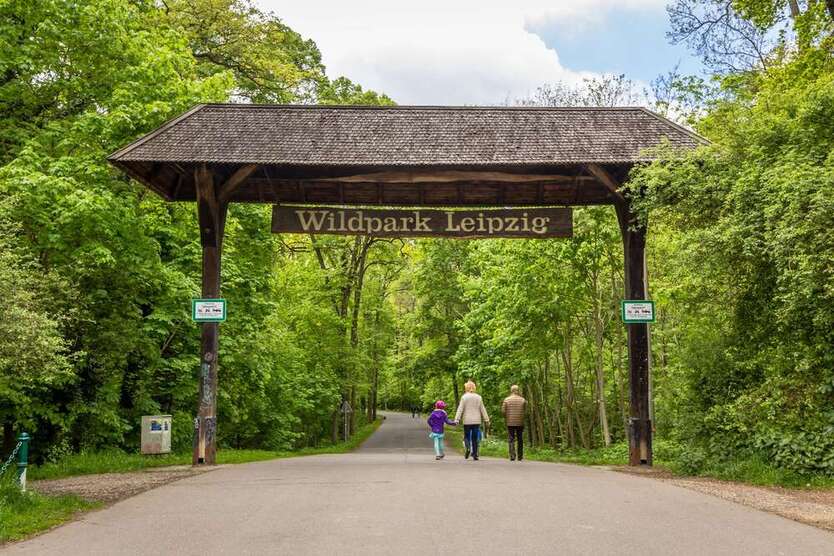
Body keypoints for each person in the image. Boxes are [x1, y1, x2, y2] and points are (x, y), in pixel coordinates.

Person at [454, 380, 490, 461]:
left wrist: (457, 419)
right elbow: (482, 409)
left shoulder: (464, 397)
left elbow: (460, 409)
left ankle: (468, 448)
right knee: (475, 437)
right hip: (476, 420)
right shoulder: (479, 397)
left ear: (466, 388)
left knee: (466, 436)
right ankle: (475, 454)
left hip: (467, 420)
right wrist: (486, 419)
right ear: (474, 387)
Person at [502, 385, 527, 461]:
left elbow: (503, 411)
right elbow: (525, 411)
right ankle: (520, 456)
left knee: (511, 438)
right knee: (520, 439)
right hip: (520, 422)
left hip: (510, 422)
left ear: (511, 390)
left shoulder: (506, 400)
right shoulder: (523, 400)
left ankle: (512, 455)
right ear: (518, 390)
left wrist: (506, 417)